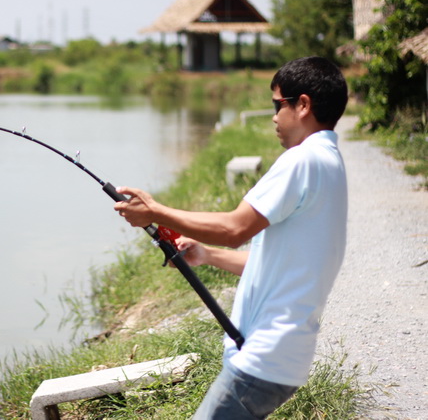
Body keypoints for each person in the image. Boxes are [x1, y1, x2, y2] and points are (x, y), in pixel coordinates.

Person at [114, 56, 349, 419]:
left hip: (265, 357)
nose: (273, 116)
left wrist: (156, 212)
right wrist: (207, 255)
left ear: (303, 105)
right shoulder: (328, 162)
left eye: (277, 104)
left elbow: (235, 228)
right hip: (280, 357)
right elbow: (276, 263)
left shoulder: (302, 160)